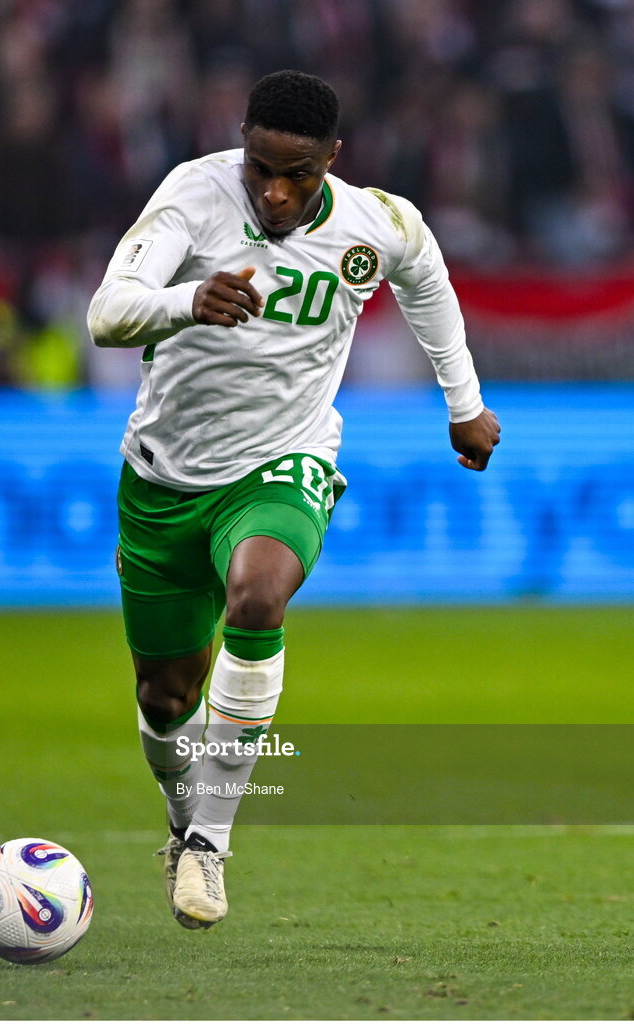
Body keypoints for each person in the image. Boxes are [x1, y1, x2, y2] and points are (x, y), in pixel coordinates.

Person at [87, 69, 500, 930]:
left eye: (298, 173)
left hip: (284, 458)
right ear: (242, 141)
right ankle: (178, 814)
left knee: (258, 593)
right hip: (164, 477)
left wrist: (463, 405)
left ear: (331, 159)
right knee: (165, 698)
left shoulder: (373, 224)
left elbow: (425, 281)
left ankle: (209, 843)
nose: (275, 192)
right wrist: (184, 302)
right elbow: (107, 313)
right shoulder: (190, 199)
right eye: (260, 167)